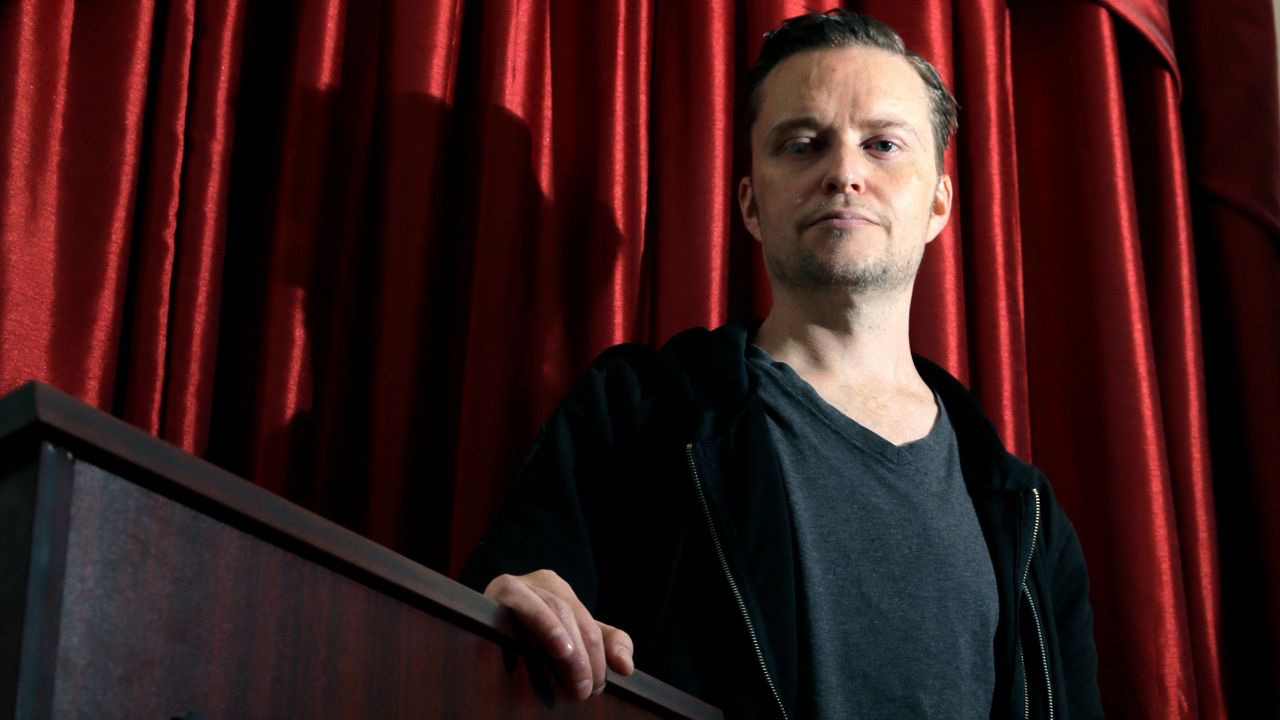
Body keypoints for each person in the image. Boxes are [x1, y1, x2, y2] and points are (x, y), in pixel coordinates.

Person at [462, 9, 1103, 719]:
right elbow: (507, 605)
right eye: (802, 144)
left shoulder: (1028, 517)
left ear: (939, 205)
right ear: (750, 204)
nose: (843, 173)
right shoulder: (636, 417)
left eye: (883, 144)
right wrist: (502, 610)